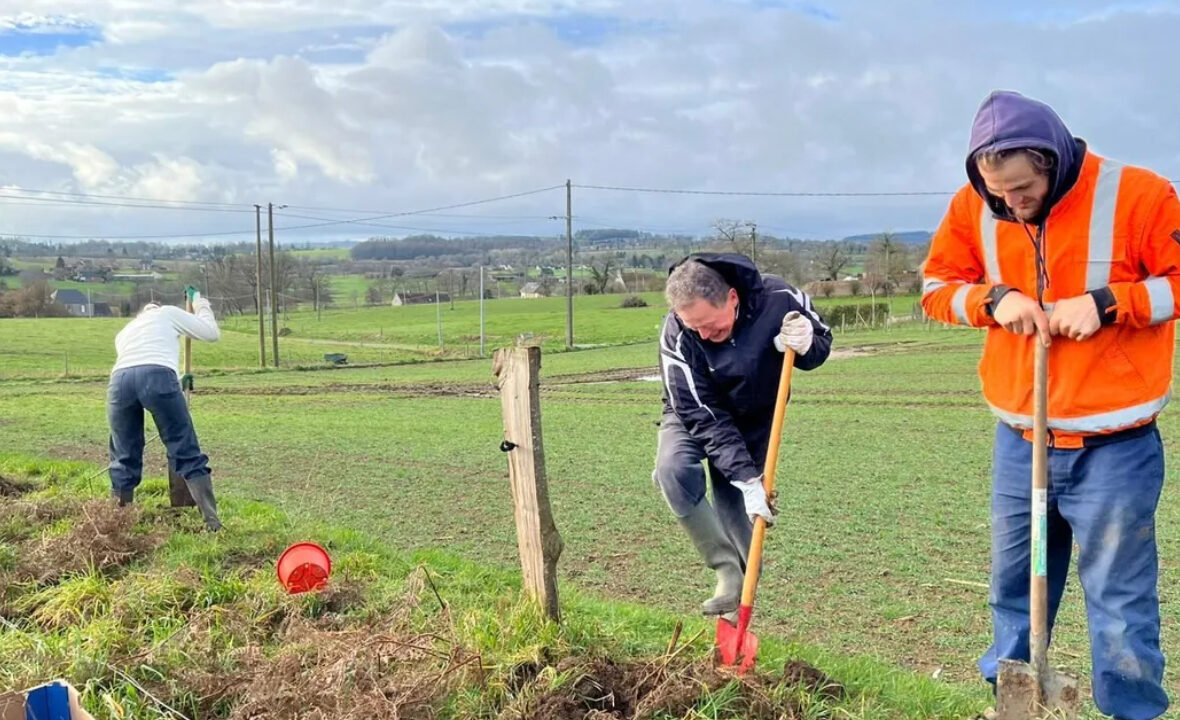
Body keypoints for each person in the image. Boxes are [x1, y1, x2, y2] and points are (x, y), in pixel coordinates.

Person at [922, 90, 1180, 720]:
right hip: (1022, 445)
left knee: (1119, 602)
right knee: (1016, 587)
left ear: (1053, 159)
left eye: (1021, 186)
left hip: (1114, 450)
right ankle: (1011, 701)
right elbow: (935, 289)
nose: (1011, 201)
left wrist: (1110, 302)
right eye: (997, 189)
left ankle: (1132, 711)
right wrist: (995, 300)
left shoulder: (1141, 196)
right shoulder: (976, 206)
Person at [654, 252, 832, 617]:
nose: (704, 335)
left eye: (712, 326)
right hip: (695, 412)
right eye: (695, 328)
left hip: (755, 416)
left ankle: (737, 615)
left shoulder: (781, 300)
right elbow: (701, 415)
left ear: (732, 298)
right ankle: (725, 568)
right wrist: (747, 477)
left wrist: (807, 343)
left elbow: (819, 346)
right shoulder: (676, 332)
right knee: (672, 470)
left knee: (740, 516)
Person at [107, 288, 223, 531]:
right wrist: (200, 301)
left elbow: (139, 366)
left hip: (119, 382)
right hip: (158, 376)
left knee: (124, 455)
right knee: (184, 448)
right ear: (158, 307)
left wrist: (178, 378)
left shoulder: (126, 331)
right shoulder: (168, 314)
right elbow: (211, 333)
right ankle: (213, 525)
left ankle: (117, 525)